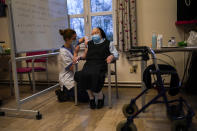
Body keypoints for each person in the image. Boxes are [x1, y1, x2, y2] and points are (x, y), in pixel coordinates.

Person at [74, 27, 119, 109]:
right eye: (93, 33)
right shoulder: (89, 44)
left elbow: (116, 54)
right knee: (82, 75)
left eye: (96, 32)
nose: (94, 34)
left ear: (101, 33)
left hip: (101, 65)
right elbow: (85, 56)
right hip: (89, 65)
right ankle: (91, 98)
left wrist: (112, 56)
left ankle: (100, 97)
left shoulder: (109, 43)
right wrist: (79, 57)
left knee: (95, 75)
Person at [57, 28, 89, 102]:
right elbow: (72, 68)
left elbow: (82, 39)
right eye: (74, 38)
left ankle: (68, 93)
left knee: (87, 93)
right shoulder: (63, 52)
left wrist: (86, 39)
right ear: (67, 39)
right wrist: (78, 56)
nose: (76, 40)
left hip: (74, 77)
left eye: (76, 37)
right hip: (67, 80)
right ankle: (63, 93)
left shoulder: (71, 45)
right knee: (84, 98)